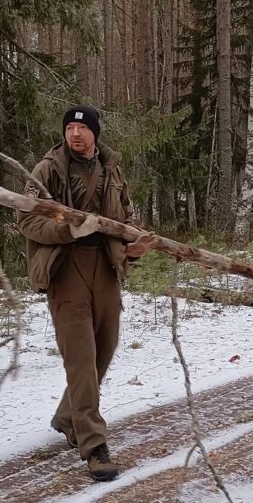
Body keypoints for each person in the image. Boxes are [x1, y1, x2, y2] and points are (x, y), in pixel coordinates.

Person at [17, 106, 155, 482]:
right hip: (66, 269)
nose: (76, 134)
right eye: (70, 127)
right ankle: (94, 445)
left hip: (107, 268)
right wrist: (69, 231)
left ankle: (66, 417)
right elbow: (27, 220)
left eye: (83, 127)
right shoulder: (46, 170)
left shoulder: (111, 167)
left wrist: (133, 246)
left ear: (95, 133)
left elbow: (125, 216)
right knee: (81, 358)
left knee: (104, 349)